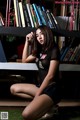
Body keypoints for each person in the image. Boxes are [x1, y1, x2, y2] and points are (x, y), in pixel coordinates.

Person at [10, 25, 61, 120]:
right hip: (41, 86)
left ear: (47, 34)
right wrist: (27, 41)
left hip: (52, 89)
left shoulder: (54, 49)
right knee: (13, 89)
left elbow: (50, 76)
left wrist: (37, 95)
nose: (39, 37)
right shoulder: (40, 51)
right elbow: (24, 60)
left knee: (26, 115)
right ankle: (49, 107)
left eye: (42, 34)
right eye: (37, 36)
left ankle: (49, 108)